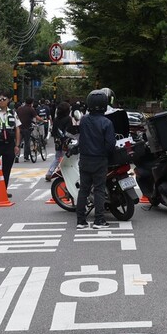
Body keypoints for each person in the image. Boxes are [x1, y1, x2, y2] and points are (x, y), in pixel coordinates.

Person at [75, 90, 116, 229]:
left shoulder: (84, 120)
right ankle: (99, 220)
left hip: (85, 159)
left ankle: (81, 221)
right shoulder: (107, 122)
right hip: (100, 160)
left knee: (84, 190)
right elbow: (110, 144)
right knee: (99, 190)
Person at [47, 101, 73, 181]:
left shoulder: (56, 119)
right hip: (66, 141)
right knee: (68, 158)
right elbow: (70, 130)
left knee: (57, 158)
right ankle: (67, 174)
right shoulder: (68, 119)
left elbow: (54, 131)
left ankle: (49, 173)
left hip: (57, 141)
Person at [16, 98, 41, 163]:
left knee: (18, 142)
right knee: (27, 143)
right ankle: (26, 157)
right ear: (31, 103)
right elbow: (37, 117)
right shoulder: (31, 109)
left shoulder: (19, 108)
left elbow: (16, 117)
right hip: (27, 128)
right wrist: (43, 120)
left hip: (19, 128)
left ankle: (16, 156)